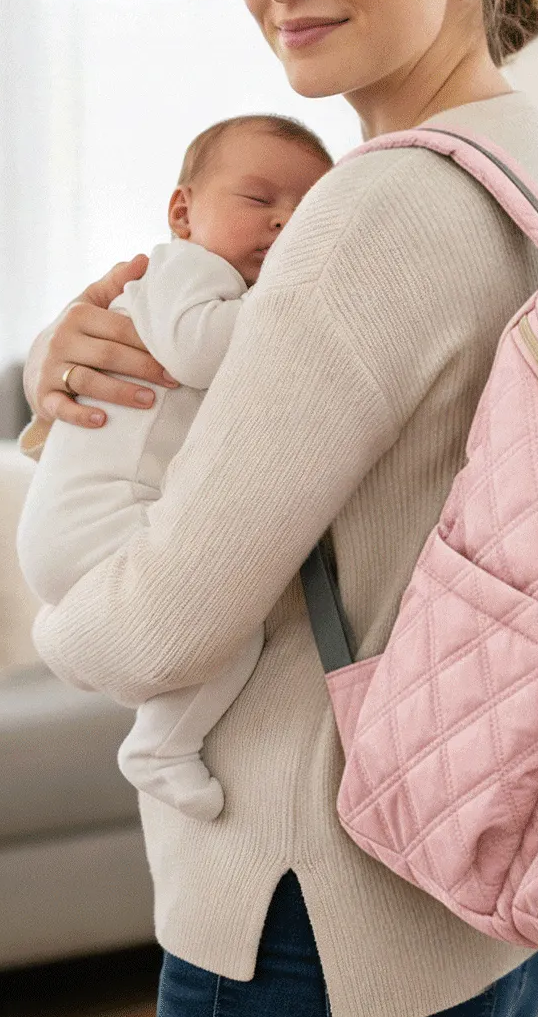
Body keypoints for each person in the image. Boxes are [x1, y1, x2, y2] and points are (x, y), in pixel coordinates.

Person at [18, 0, 538, 1017]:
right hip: (477, 881)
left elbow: (157, 632)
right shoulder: (530, 181)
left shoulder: (373, 214)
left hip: (305, 904)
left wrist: (53, 620)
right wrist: (75, 379)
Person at [17, 107, 330, 824]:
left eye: (306, 212)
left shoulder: (218, 287)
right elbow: (199, 350)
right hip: (98, 520)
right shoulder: (182, 269)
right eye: (259, 199)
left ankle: (160, 743)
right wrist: (301, 307)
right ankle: (160, 747)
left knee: (226, 626)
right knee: (218, 616)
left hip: (85, 525)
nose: (284, 221)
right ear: (183, 213)